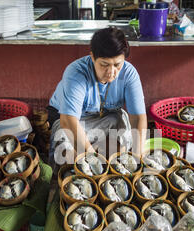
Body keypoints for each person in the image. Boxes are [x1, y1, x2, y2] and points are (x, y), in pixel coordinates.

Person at [47, 27, 147, 168]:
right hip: (69, 119)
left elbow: (137, 118)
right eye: (104, 65)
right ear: (93, 57)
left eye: (117, 65)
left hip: (105, 116)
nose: (111, 72)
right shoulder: (76, 72)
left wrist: (137, 158)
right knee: (66, 154)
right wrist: (92, 159)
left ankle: (109, 163)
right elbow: (68, 120)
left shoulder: (129, 73)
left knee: (121, 124)